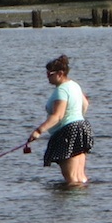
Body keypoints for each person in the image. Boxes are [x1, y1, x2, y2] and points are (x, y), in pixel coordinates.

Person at [28, 55, 93, 186]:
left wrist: (38, 131)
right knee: (80, 175)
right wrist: (76, 117)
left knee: (71, 177)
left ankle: (70, 205)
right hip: (81, 128)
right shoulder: (74, 85)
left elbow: (58, 116)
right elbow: (85, 105)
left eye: (49, 74)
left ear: (60, 74)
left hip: (67, 133)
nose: (47, 77)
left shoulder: (61, 90)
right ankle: (82, 201)